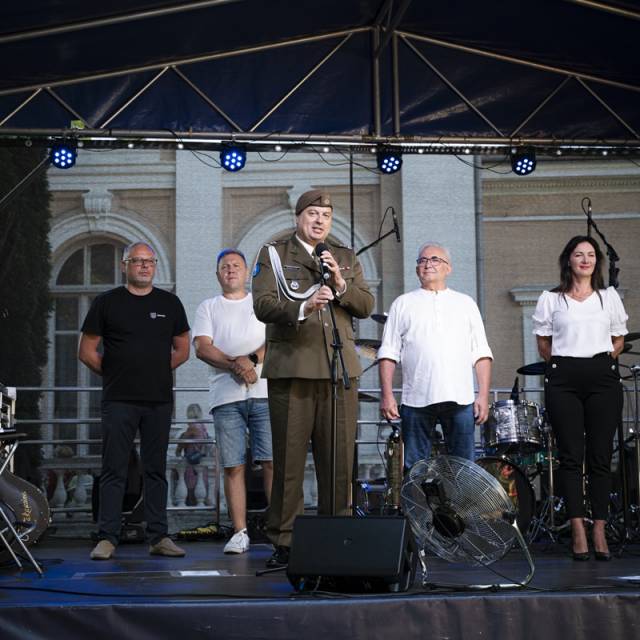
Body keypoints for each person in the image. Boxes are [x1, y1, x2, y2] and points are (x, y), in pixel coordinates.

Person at [252, 189, 374, 567]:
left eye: (326, 215)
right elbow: (262, 305)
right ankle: (285, 541)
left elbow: (366, 304)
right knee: (289, 462)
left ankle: (336, 535)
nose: (320, 221)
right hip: (293, 368)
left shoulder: (343, 257)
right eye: (313, 214)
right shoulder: (274, 253)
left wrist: (340, 284)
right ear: (299, 217)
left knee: (338, 461)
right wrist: (303, 306)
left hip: (339, 370)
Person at [79, 241, 190, 560]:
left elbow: (183, 349)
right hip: (119, 400)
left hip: (158, 400)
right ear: (124, 265)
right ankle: (107, 538)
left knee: (156, 469)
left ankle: (159, 537)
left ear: (155, 266)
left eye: (149, 261)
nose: (144, 266)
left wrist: (154, 370)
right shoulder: (106, 302)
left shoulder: (170, 303)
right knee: (114, 469)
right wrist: (116, 373)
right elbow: (86, 351)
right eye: (137, 261)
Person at [532, 235, 627, 561]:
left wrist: (600, 360)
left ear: (597, 261)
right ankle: (577, 529)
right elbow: (543, 343)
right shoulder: (551, 299)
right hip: (563, 378)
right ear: (568, 260)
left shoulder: (608, 297)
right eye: (578, 254)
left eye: (590, 254)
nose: (585, 259)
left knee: (601, 455)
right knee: (570, 456)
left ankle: (599, 527)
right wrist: (564, 363)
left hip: (602, 376)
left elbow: (618, 339)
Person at [378, 242, 493, 469]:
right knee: (415, 467)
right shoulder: (402, 303)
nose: (427, 264)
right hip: (416, 399)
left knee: (464, 467)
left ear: (448, 268)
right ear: (417, 269)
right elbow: (388, 353)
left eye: (434, 259)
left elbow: (481, 353)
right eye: (422, 260)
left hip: (460, 398)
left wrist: (483, 396)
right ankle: (418, 495)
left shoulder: (465, 303)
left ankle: (459, 496)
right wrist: (387, 395)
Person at [193, 248, 273, 554]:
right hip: (225, 397)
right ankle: (240, 532)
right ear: (217, 274)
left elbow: (274, 340)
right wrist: (236, 366)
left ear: (247, 272)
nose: (230, 270)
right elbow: (202, 348)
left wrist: (250, 360)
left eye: (236, 265)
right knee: (233, 465)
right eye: (225, 266)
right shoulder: (208, 307)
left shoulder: (260, 303)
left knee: (272, 462)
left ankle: (279, 530)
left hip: (264, 393)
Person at [175, 404, 212, 506]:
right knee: (201, 492)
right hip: (200, 461)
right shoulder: (203, 427)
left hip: (192, 463)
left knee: (191, 493)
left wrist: (178, 448)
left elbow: (181, 444)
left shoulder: (192, 427)